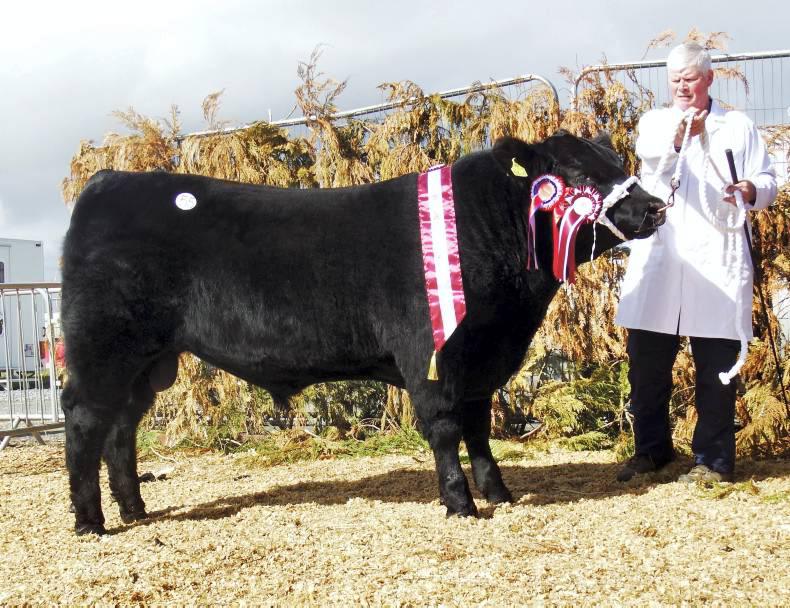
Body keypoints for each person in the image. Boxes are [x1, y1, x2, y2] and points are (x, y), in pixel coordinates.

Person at [615, 42, 777, 483]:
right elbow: (652, 159)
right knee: (646, 369)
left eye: (690, 78)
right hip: (660, 259)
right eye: (675, 79)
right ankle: (652, 452)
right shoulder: (654, 122)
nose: (682, 86)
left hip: (717, 259)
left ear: (708, 78)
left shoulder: (738, 125)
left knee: (716, 372)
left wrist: (748, 189)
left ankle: (714, 461)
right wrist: (679, 139)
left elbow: (768, 182)